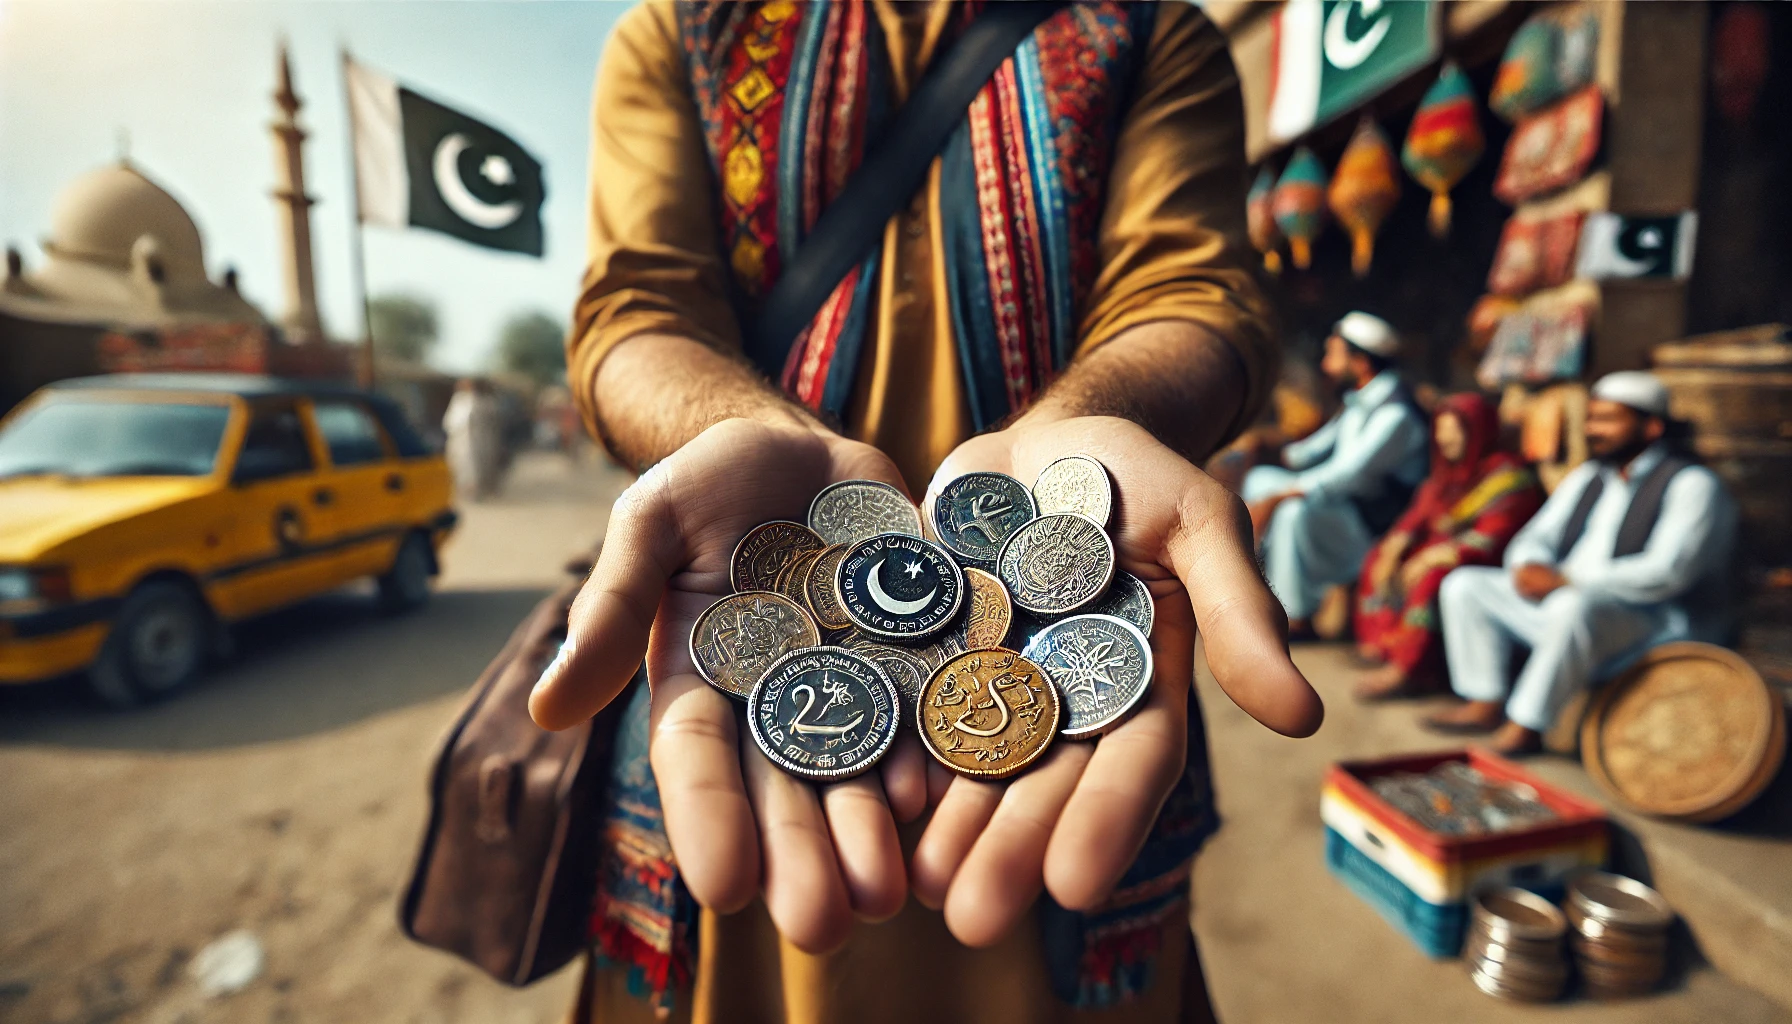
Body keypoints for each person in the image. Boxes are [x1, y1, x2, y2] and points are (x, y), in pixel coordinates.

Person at [527, 4, 1325, 1023]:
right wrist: (739, 426)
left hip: (1067, 676)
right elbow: (634, 312)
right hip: (743, 672)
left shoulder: (1148, 30)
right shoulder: (687, 30)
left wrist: (1091, 421)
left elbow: (1197, 290)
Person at [1425, 371, 1739, 755]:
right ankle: (1483, 700)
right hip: (1568, 607)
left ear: (1651, 427)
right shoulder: (1590, 476)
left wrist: (1566, 580)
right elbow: (1536, 536)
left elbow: (1669, 571)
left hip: (1648, 620)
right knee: (1466, 585)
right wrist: (1529, 565)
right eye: (1591, 418)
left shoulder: (1692, 486)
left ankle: (1525, 725)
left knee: (1575, 605)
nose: (1593, 429)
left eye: (1608, 419)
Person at [1243, 312, 1430, 634]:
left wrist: (1280, 496)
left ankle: (1295, 615)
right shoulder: (1363, 399)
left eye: (1334, 352)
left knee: (1291, 511)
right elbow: (1312, 451)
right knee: (1259, 480)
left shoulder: (1395, 414)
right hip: (1341, 503)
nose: (1326, 359)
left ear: (1360, 362)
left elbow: (1348, 474)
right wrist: (1271, 446)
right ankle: (1254, 587)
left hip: (1369, 521)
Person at [1354, 393, 1544, 699]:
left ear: (1477, 431)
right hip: (1436, 551)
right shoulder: (1445, 474)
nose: (1444, 438)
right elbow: (1418, 515)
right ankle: (1384, 644)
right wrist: (1396, 544)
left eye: (1454, 430)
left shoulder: (1507, 477)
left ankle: (1408, 668)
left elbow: (1493, 536)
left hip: (1475, 560)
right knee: (1379, 555)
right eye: (1440, 430)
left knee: (1432, 579)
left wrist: (1435, 556)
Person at [442, 377, 505, 499]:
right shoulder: (459, 400)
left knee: (478, 466)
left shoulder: (481, 401)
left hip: (479, 439)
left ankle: (479, 490)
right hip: (459, 440)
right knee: (460, 466)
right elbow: (451, 421)